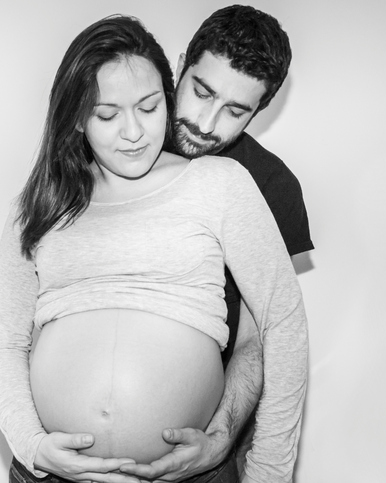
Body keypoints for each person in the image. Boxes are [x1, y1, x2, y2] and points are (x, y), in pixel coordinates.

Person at [0, 14, 308, 483]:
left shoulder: (223, 183)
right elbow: (2, 344)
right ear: (76, 117)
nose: (132, 132)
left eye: (150, 107)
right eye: (108, 115)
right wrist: (32, 446)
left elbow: (281, 326)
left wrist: (267, 477)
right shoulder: (37, 205)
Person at [119, 5, 314, 483]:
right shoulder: (116, 139)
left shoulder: (271, 185)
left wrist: (222, 437)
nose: (206, 123)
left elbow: (260, 336)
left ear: (261, 110)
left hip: (203, 450)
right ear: (182, 63)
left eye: (235, 110)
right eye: (201, 91)